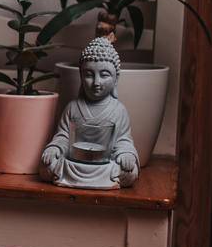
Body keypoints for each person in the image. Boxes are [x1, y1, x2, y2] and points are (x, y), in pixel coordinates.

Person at [40, 37, 140, 189]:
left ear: (115, 79)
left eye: (104, 75)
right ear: (81, 76)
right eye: (89, 75)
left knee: (129, 172)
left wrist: (127, 154)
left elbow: (123, 140)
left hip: (105, 165)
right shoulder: (73, 107)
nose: (96, 82)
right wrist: (55, 148)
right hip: (74, 163)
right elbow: (63, 136)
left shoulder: (119, 110)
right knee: (46, 167)